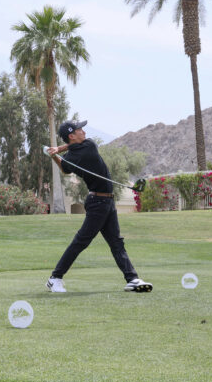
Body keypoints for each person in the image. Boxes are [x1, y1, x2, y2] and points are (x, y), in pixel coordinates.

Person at [45, 119, 152, 293]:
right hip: (98, 203)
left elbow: (65, 167)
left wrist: (56, 151)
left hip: (106, 202)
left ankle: (132, 279)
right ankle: (55, 278)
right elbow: (65, 167)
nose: (84, 132)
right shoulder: (81, 150)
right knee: (81, 241)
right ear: (72, 135)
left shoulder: (85, 147)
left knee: (116, 242)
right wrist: (57, 154)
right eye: (80, 130)